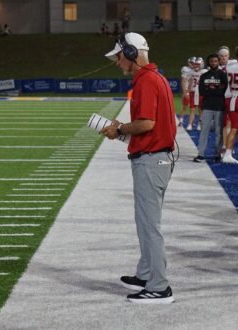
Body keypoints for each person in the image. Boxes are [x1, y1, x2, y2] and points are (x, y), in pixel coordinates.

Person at [101, 32, 177, 304]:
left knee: (149, 226)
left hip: (151, 159)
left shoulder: (146, 80)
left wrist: (118, 128)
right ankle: (146, 274)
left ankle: (159, 286)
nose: (117, 62)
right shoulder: (154, 77)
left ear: (132, 53)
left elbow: (146, 123)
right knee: (146, 222)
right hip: (157, 158)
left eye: (119, 56)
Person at [194, 53, 228, 163]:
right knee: (204, 130)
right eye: (212, 61)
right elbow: (202, 91)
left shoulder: (223, 75)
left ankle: (217, 154)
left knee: (219, 132)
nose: (213, 63)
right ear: (209, 62)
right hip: (207, 106)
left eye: (215, 61)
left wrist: (211, 89)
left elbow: (223, 91)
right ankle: (201, 154)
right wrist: (216, 89)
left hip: (219, 106)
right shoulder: (204, 75)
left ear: (218, 62)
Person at [186, 57, 207, 131]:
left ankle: (200, 124)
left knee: (200, 109)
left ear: (201, 64)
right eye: (195, 64)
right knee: (192, 109)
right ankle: (190, 124)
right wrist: (187, 92)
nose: (196, 66)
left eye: (198, 64)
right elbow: (190, 83)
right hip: (193, 92)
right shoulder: (191, 72)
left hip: (201, 92)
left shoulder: (204, 72)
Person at [178, 57, 195, 127]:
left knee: (193, 108)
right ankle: (181, 121)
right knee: (185, 107)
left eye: (194, 63)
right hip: (188, 91)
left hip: (194, 91)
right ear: (188, 63)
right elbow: (183, 81)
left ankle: (191, 122)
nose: (193, 64)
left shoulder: (197, 70)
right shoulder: (186, 70)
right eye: (191, 63)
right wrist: (185, 92)